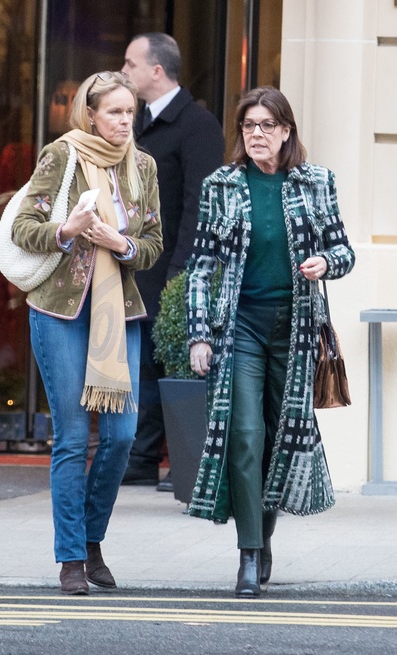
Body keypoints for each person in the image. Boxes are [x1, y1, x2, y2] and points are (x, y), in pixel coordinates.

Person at [186, 86, 355, 598]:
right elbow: (202, 267)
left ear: (285, 131)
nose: (255, 134)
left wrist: (326, 262)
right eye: (248, 126)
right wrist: (199, 335)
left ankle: (264, 536)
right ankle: (248, 553)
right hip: (241, 327)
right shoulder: (222, 185)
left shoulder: (315, 182)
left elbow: (344, 251)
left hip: (297, 330)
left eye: (266, 125)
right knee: (245, 435)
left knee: (282, 438)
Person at [12, 71, 163, 595]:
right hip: (60, 311)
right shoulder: (62, 155)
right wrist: (67, 230)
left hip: (118, 312)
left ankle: (91, 538)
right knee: (74, 438)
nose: (124, 121)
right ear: (91, 114)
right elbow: (22, 228)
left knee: (121, 437)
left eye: (130, 112)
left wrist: (121, 245)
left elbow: (152, 243)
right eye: (114, 112)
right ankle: (72, 557)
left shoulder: (143, 166)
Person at [121, 32, 224, 490]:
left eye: (130, 64)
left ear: (156, 70)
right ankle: (141, 458)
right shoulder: (137, 123)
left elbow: (200, 206)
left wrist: (183, 272)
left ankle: (181, 462)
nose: (124, 72)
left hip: (174, 270)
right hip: (137, 268)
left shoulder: (197, 125)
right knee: (142, 364)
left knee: (176, 366)